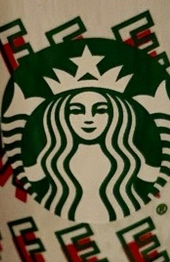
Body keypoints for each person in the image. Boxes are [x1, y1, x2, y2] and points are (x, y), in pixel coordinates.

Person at [23, 87, 160, 221]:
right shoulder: (48, 159)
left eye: (100, 110)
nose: (89, 119)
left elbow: (158, 187)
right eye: (77, 111)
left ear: (114, 115)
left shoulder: (131, 159)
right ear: (63, 117)